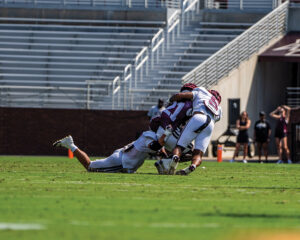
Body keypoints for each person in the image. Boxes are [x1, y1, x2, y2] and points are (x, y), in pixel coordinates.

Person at [165, 87, 222, 175]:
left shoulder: (202, 92)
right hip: (210, 124)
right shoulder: (219, 108)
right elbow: (217, 118)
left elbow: (181, 95)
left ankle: (175, 157)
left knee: (180, 145)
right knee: (198, 153)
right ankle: (193, 165)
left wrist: (171, 99)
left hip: (198, 116)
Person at [53, 131, 165, 173]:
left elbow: (159, 151)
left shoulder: (149, 135)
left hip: (121, 156)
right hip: (121, 162)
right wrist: (167, 134)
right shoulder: (149, 137)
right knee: (90, 166)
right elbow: (156, 146)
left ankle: (70, 144)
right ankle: (70, 145)